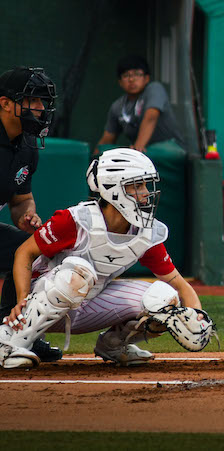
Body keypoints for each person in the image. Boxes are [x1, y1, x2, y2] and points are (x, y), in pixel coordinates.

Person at [0, 148, 207, 368]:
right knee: (78, 272)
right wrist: (21, 298)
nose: (146, 193)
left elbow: (179, 284)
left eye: (146, 185)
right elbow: (25, 252)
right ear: (113, 189)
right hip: (44, 300)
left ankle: (114, 344)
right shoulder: (76, 220)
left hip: (91, 304)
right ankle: (10, 340)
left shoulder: (145, 232)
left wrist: (196, 313)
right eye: (137, 185)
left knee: (166, 298)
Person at [0, 67, 62, 364]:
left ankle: (11, 331)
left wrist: (28, 216)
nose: (39, 109)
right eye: (32, 100)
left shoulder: (26, 145)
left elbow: (20, 200)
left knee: (29, 249)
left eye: (42, 102)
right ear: (5, 103)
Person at [94, 54, 186, 155]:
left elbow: (151, 117)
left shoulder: (155, 89)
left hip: (170, 152)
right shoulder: (117, 106)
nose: (131, 79)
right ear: (120, 82)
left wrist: (138, 148)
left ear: (146, 78)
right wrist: (94, 158)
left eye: (137, 74)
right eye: (126, 75)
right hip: (142, 154)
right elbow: (107, 138)